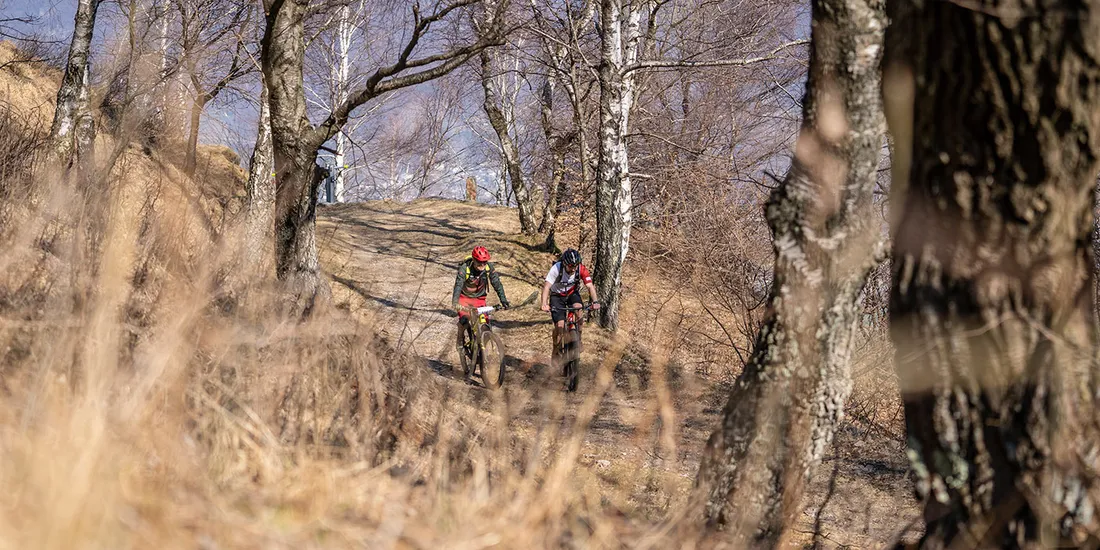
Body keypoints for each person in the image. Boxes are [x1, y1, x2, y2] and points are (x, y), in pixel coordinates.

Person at [539, 249, 600, 369]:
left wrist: (595, 301)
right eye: (571, 266)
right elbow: (546, 287)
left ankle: (579, 338)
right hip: (557, 296)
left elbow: (589, 286)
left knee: (578, 309)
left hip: (572, 294)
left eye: (575, 266)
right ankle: (556, 349)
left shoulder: (581, 269)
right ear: (565, 263)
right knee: (560, 326)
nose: (573, 269)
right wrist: (544, 303)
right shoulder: (556, 269)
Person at [452, 246, 510, 355]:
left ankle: (482, 351)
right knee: (464, 319)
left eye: (484, 262)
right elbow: (458, 286)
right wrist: (455, 302)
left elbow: (497, 283)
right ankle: (460, 339)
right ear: (474, 260)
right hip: (464, 298)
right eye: (479, 262)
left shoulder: (489, 268)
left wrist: (503, 300)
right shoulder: (465, 269)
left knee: (485, 326)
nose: (482, 265)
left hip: (479, 299)